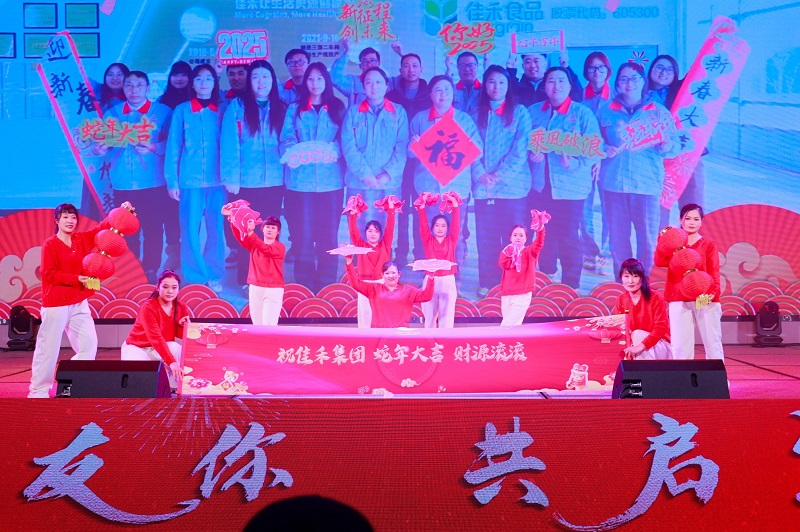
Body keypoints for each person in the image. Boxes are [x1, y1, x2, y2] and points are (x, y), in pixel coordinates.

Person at [28, 202, 131, 398]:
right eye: (65, 217)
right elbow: (48, 273)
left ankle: (70, 382)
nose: (70, 221)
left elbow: (101, 229)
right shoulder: (50, 244)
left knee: (88, 345)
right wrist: (77, 279)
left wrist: (121, 211)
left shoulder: (81, 240)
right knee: (48, 348)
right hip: (56, 303)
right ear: (57, 220)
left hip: (79, 302)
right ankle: (38, 390)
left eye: (73, 217)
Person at [596, 62, 680, 281]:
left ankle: (645, 284)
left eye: (634, 78)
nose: (629, 83)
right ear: (617, 84)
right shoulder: (606, 110)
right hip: (614, 184)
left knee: (648, 241)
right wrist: (604, 148)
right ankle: (623, 283)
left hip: (646, 185)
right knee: (618, 240)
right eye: (624, 79)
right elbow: (593, 140)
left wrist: (666, 145)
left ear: (643, 81)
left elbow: (675, 147)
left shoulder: (658, 112)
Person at [96, 71, 175, 284]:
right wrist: (99, 149)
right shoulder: (112, 114)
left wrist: (155, 147)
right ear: (123, 88)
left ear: (148, 88)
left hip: (153, 182)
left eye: (139, 85)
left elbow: (175, 145)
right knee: (126, 229)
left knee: (153, 227)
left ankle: (150, 268)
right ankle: (132, 269)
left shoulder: (163, 112)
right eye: (129, 85)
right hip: (122, 182)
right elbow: (101, 144)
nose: (134, 89)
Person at [528, 67, 601, 289]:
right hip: (541, 185)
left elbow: (594, 149)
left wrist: (574, 163)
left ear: (570, 86)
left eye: (561, 81)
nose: (556, 86)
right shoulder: (533, 111)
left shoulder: (582, 114)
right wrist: (531, 155)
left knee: (568, 234)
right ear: (544, 86)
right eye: (551, 81)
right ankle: (547, 276)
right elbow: (523, 141)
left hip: (571, 186)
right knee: (544, 233)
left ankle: (570, 285)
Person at [280, 62, 345, 292]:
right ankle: (304, 285)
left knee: (328, 236)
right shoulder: (295, 108)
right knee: (303, 235)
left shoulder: (337, 107)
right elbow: (286, 138)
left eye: (319, 78)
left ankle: (326, 284)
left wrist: (332, 151)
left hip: (331, 183)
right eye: (310, 78)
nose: (315, 83)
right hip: (300, 183)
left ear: (326, 80)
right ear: (305, 82)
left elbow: (344, 139)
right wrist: (294, 152)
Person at [221, 60, 286, 290]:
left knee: (270, 231)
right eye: (256, 77)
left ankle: (268, 276)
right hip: (246, 182)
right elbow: (229, 144)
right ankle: (247, 278)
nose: (261, 82)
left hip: (275, 181)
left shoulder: (281, 107)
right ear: (249, 81)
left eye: (265, 77)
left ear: (273, 81)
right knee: (247, 231)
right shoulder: (237, 107)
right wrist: (231, 177)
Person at [409, 75, 484, 271]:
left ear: (453, 94)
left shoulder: (464, 119)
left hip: (456, 188)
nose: (443, 94)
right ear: (431, 94)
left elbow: (478, 150)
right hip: (428, 187)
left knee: (455, 234)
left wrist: (467, 142)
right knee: (428, 232)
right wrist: (414, 145)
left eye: (447, 90)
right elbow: (409, 154)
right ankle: (430, 275)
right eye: (438, 90)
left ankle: (454, 277)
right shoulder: (420, 119)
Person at [165, 64, 229, 293]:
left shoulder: (223, 109)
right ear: (192, 83)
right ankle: (195, 276)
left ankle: (214, 273)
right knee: (190, 229)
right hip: (189, 180)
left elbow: (230, 144)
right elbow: (174, 146)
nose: (204, 83)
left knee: (216, 228)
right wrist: (172, 181)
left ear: (215, 83)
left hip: (218, 179)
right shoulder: (182, 110)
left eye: (209, 78)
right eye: (199, 78)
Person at [471, 65, 532, 296]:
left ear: (509, 86)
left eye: (501, 82)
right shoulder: (475, 112)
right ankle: (488, 282)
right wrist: (480, 174)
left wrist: (497, 176)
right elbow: (468, 146)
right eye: (491, 82)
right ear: (485, 86)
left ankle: (515, 283)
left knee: (514, 237)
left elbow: (520, 150)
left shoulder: (520, 113)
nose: (496, 87)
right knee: (486, 237)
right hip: (483, 186)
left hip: (513, 188)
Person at [341, 67, 408, 234]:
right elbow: (349, 147)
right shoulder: (353, 112)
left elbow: (402, 147)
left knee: (387, 231)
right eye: (369, 82)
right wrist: (365, 175)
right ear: (363, 87)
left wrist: (387, 175)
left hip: (389, 183)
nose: (374, 86)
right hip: (359, 183)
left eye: (378, 82)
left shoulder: (398, 112)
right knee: (359, 231)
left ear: (386, 85)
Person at [654, 204, 723, 360]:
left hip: (704, 297)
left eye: (696, 219)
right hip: (679, 297)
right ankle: (683, 376)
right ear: (681, 220)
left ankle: (717, 375)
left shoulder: (708, 244)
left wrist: (713, 294)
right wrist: (663, 239)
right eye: (688, 218)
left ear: (702, 221)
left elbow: (714, 271)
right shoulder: (673, 244)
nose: (692, 222)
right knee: (680, 345)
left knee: (712, 342)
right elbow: (659, 261)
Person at [647, 54, 706, 229]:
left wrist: (719, 44)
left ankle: (691, 242)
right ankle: (660, 242)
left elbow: (702, 72)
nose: (663, 72)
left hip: (687, 155)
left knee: (692, 204)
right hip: (655, 158)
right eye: (659, 67)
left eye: (669, 69)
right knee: (657, 207)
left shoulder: (683, 91)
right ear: (651, 70)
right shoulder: (640, 93)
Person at [386, 53, 430, 269]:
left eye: (414, 65)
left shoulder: (430, 94)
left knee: (422, 209)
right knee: (401, 209)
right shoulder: (391, 96)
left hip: (423, 162)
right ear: (400, 70)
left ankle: (420, 253)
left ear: (421, 69)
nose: (410, 69)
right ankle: (401, 253)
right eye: (406, 66)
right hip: (399, 161)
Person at [122, 269, 191, 389]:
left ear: (178, 289)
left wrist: (183, 326)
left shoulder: (181, 307)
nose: (170, 291)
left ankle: (176, 386)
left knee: (177, 349)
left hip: (159, 348)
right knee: (139, 381)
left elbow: (181, 336)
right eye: (165, 287)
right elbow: (155, 337)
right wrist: (172, 363)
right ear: (158, 287)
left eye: (174, 287)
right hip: (137, 347)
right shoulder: (148, 307)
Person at [580, 52, 614, 273]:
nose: (596, 72)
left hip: (611, 161)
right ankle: (590, 250)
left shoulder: (617, 96)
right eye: (592, 68)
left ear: (607, 70)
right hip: (585, 159)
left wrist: (602, 154)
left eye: (601, 67)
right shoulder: (578, 96)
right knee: (585, 207)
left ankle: (607, 252)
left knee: (609, 207)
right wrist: (593, 156)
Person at [223, 210, 286, 326]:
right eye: (267, 227)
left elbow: (265, 249)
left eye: (273, 228)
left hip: (273, 289)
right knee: (257, 325)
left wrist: (251, 233)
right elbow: (241, 238)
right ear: (262, 229)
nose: (270, 229)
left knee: (269, 325)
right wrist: (232, 220)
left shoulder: (279, 247)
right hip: (255, 287)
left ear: (278, 232)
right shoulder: (255, 245)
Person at [347, 195, 398, 328]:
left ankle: (382, 338)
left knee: (382, 314)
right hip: (364, 284)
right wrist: (352, 215)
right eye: (370, 231)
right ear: (366, 233)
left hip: (382, 283)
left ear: (380, 234)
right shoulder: (360, 246)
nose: (373, 233)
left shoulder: (385, 245)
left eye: (376, 231)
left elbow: (390, 227)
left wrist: (391, 210)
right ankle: (365, 338)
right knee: (365, 316)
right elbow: (353, 232)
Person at [345, 258, 434, 328]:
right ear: (382, 275)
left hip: (400, 334)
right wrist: (349, 263)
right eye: (387, 273)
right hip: (379, 333)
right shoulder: (374, 289)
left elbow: (426, 296)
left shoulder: (408, 290)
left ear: (399, 274)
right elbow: (355, 284)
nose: (390, 276)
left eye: (393, 273)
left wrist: (431, 278)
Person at [415, 193, 460, 328]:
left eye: (443, 226)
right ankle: (429, 338)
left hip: (448, 280)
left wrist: (455, 204)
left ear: (447, 228)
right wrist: (422, 206)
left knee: (447, 316)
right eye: (437, 225)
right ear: (432, 227)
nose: (440, 228)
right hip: (431, 280)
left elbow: (456, 223)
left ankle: (446, 339)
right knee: (429, 316)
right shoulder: (428, 240)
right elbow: (423, 223)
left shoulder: (451, 240)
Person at [612, 258, 672, 360]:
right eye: (626, 276)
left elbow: (661, 327)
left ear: (642, 278)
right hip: (634, 347)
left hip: (660, 346)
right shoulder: (621, 300)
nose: (630, 281)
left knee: (637, 334)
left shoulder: (655, 296)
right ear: (621, 278)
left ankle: (644, 370)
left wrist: (640, 347)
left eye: (635, 276)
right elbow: (620, 329)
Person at [498, 224, 546, 326]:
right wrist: (508, 253)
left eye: (521, 235)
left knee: (506, 326)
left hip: (522, 294)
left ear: (526, 238)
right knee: (512, 328)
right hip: (507, 293)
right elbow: (503, 265)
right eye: (515, 235)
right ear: (510, 238)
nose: (518, 238)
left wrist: (541, 229)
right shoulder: (507, 251)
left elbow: (539, 243)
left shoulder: (530, 252)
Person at [331, 38, 398, 107]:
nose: (369, 64)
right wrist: (347, 51)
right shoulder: (353, 82)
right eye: (365, 61)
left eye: (372, 60)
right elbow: (334, 78)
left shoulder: (388, 82)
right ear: (360, 66)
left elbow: (404, 80)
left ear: (379, 63)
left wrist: (401, 54)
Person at [509, 52, 582, 107]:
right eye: (528, 62)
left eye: (536, 61)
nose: (532, 65)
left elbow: (578, 96)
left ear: (545, 63)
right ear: (522, 65)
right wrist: (510, 70)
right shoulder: (517, 87)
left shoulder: (555, 86)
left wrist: (566, 67)